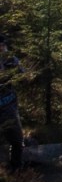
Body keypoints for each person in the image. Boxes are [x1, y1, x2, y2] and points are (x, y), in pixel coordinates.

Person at [0, 36, 23, 172]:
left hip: (10, 108)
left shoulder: (10, 60)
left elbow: (22, 74)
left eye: (3, 46)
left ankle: (16, 172)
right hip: (7, 108)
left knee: (17, 142)